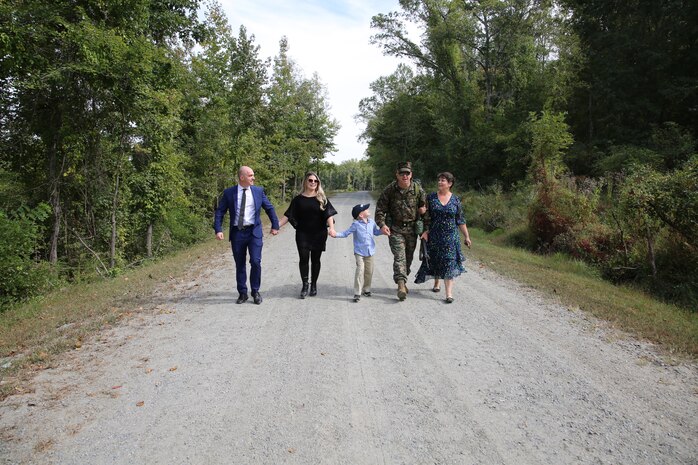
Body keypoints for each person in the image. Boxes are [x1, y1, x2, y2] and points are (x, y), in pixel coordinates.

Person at [214, 166, 279, 305]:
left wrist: (275, 225)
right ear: (242, 177)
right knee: (240, 264)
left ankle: (255, 291)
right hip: (237, 233)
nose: (253, 178)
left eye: (253, 175)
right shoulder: (229, 193)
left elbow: (269, 208)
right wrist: (218, 229)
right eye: (250, 175)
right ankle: (242, 293)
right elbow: (220, 212)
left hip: (254, 232)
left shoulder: (258, 191)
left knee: (255, 261)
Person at [414, 171, 472, 303]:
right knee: (435, 260)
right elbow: (425, 216)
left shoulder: (456, 200)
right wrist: (424, 229)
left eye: (443, 180)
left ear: (450, 184)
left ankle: (449, 294)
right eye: (439, 180)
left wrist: (467, 236)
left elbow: (460, 220)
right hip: (434, 236)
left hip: (451, 237)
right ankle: (436, 282)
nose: (440, 182)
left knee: (449, 262)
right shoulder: (431, 198)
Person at [278, 171, 337, 298]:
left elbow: (329, 215)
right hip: (303, 234)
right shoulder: (298, 200)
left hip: (319, 234)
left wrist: (331, 228)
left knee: (316, 260)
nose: (313, 183)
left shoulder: (322, 199)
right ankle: (305, 285)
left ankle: (314, 285)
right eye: (310, 180)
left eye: (315, 181)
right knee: (303, 259)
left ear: (318, 183)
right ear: (305, 182)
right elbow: (288, 216)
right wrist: (275, 226)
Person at [375, 161, 427, 301]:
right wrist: (382, 225)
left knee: (408, 258)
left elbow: (425, 211)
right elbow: (380, 209)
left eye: (407, 173)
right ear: (397, 175)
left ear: (411, 175)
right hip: (395, 229)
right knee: (399, 257)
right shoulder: (390, 190)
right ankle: (401, 285)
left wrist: (425, 229)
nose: (405, 176)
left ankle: (403, 280)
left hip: (412, 230)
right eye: (402, 173)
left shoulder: (418, 190)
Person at [331, 203, 384, 302]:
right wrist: (335, 234)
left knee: (369, 271)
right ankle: (357, 293)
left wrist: (383, 231)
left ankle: (366, 289)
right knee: (360, 270)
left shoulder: (371, 222)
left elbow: (376, 232)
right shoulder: (356, 225)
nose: (368, 209)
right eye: (365, 209)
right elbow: (345, 233)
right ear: (360, 215)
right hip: (359, 252)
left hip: (370, 252)